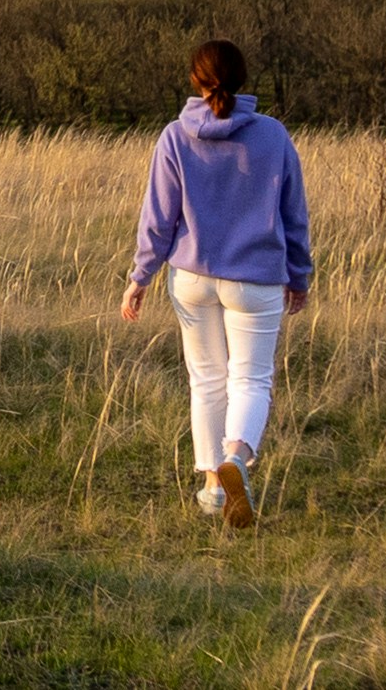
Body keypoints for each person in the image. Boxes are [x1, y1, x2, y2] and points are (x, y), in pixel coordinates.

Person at [118, 35, 311, 523]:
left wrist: (140, 276)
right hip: (257, 280)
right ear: (242, 79)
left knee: (205, 379)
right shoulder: (272, 135)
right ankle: (235, 460)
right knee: (251, 378)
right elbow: (294, 215)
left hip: (191, 277)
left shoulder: (174, 136)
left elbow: (157, 219)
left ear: (195, 81)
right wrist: (299, 274)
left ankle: (213, 491)